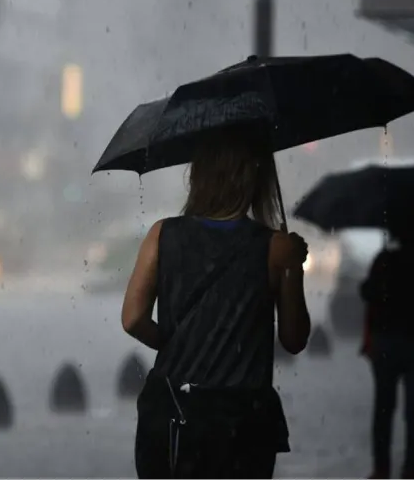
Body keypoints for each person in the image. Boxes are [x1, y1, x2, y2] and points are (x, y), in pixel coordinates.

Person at [121, 124, 311, 479]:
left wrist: (172, 342)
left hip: (173, 413)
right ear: (254, 178)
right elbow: (294, 339)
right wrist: (293, 268)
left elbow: (133, 319)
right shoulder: (275, 247)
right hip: (242, 424)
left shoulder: (163, 234)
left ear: (200, 176)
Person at [360, 231, 414, 479]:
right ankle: (411, 469)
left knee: (383, 409)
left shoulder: (385, 260)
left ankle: (382, 469)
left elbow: (367, 293)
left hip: (386, 344)